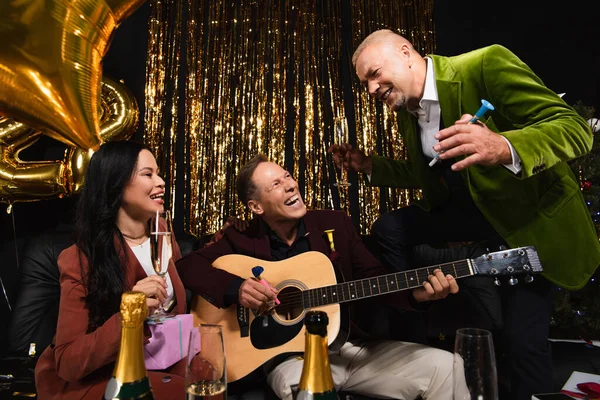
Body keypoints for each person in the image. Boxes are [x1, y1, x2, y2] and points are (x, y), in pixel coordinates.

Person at [329, 29, 600, 399]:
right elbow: (424, 172)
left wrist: (504, 146)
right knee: (390, 229)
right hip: (471, 212)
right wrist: (369, 166)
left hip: (524, 220)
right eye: (365, 84)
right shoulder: (409, 110)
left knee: (522, 340)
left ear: (406, 53)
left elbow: (575, 129)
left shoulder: (485, 64)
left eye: (375, 73)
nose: (372, 88)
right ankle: (413, 331)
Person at [177, 153, 459, 400]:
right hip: (290, 360)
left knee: (447, 368)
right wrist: (236, 288)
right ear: (256, 207)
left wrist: (416, 295)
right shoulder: (240, 237)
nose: (290, 184)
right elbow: (187, 266)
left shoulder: (335, 223)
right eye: (276, 184)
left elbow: (375, 277)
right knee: (308, 390)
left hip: (352, 349)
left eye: (287, 176)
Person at [34, 141, 188, 399]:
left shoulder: (163, 233)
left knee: (210, 382)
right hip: (104, 374)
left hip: (160, 360)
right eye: (148, 174)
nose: (161, 181)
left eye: (158, 173)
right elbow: (68, 361)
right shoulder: (80, 259)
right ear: (116, 184)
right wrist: (131, 312)